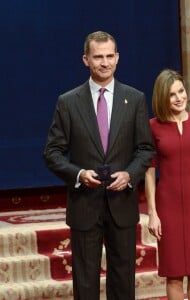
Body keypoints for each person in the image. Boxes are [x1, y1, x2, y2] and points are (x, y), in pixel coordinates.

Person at [43, 31, 155, 300]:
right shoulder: (68, 102)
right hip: (85, 204)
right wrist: (78, 174)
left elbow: (145, 149)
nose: (104, 63)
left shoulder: (135, 99)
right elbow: (52, 152)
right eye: (98, 57)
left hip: (122, 204)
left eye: (109, 56)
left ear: (117, 58)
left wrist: (129, 174)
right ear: (86, 60)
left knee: (123, 278)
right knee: (85, 280)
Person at [145, 69, 190, 300]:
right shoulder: (153, 127)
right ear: (162, 98)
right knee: (174, 273)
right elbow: (149, 172)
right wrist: (152, 212)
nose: (179, 98)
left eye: (181, 91)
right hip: (168, 206)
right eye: (172, 94)